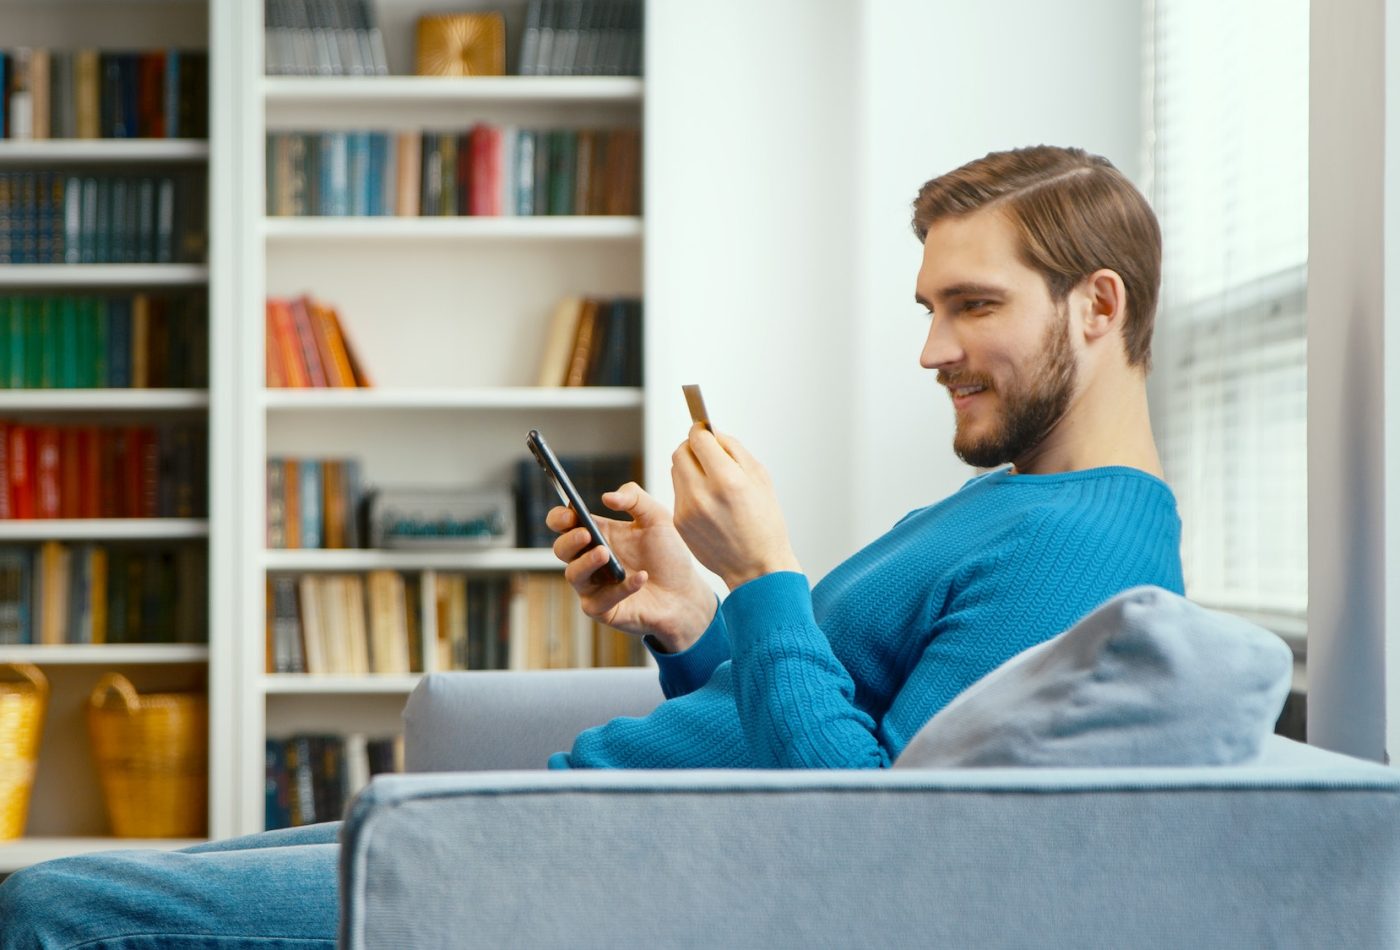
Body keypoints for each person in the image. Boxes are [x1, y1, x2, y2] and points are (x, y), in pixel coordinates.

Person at [0, 145, 1183, 947]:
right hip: (554, 813)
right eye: (926, 308)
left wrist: (766, 575)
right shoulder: (1012, 504)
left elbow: (872, 834)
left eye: (971, 306)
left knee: (50, 909)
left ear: (1095, 306)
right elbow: (811, 723)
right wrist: (690, 619)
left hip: (578, 863)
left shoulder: (1082, 547)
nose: (930, 349)